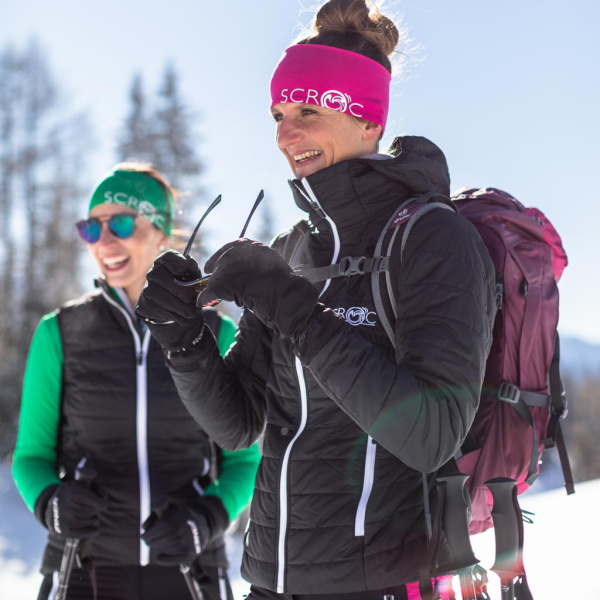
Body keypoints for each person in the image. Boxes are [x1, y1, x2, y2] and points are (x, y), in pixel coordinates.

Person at [135, 1, 497, 598]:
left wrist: (294, 309)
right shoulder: (295, 248)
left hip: (383, 581)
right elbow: (241, 423)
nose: (285, 133)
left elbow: (433, 435)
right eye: (278, 113)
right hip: (272, 579)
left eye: (308, 109)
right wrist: (184, 339)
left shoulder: (433, 237)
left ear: (368, 120)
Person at [12, 163, 260, 600]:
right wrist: (51, 502)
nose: (105, 241)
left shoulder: (215, 334)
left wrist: (207, 519)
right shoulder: (60, 332)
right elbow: (31, 457)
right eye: (92, 228)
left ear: (162, 233)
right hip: (83, 572)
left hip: (190, 572)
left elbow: (244, 460)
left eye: (122, 223)